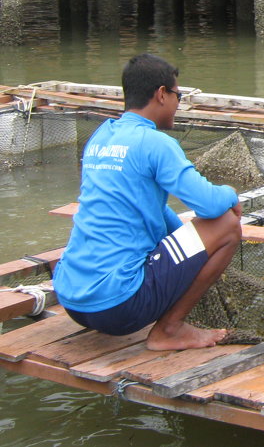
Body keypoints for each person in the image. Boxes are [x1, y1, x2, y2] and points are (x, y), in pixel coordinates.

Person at [53, 54, 243, 350]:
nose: (178, 104)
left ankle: (163, 322)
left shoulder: (100, 137)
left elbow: (143, 206)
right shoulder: (157, 143)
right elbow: (209, 205)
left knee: (183, 228)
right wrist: (231, 193)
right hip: (120, 307)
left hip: (72, 301)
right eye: (178, 95)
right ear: (161, 94)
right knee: (227, 226)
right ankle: (169, 329)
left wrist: (184, 236)